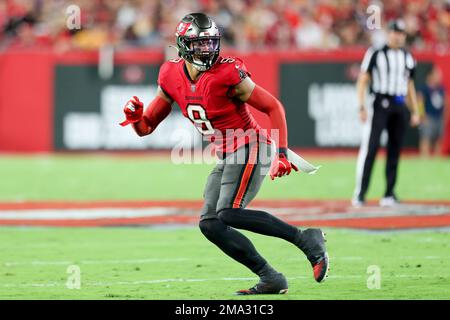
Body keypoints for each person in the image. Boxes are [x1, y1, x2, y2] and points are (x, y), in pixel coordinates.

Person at [120, 13, 328, 295]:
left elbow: (273, 107)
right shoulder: (170, 74)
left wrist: (281, 153)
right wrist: (134, 118)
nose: (206, 50)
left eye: (210, 43)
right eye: (199, 44)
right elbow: (146, 128)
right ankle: (271, 278)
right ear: (183, 45)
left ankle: (306, 239)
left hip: (251, 144)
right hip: (228, 153)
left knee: (229, 212)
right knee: (211, 224)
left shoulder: (227, 72)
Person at [353, 19, 421, 207]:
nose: (397, 36)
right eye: (394, 32)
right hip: (379, 102)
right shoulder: (376, 53)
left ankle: (389, 193)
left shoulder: (408, 56)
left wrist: (414, 110)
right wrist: (361, 106)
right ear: (388, 33)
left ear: (404, 36)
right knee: (371, 148)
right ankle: (360, 193)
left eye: (401, 33)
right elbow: (363, 80)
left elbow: (409, 85)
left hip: (399, 105)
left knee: (395, 149)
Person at [418, 66, 447, 157]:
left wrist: (444, 117)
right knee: (426, 139)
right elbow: (419, 101)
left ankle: (436, 161)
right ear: (430, 76)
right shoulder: (424, 88)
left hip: (439, 118)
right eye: (437, 74)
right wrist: (422, 116)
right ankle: (424, 159)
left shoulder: (441, 89)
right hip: (428, 118)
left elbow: (445, 103)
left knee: (438, 140)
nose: (439, 76)